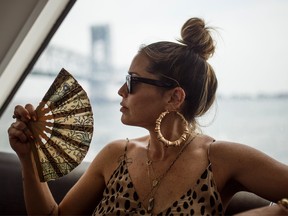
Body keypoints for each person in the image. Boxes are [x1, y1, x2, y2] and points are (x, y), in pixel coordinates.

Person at [7, 17, 288, 215]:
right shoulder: (114, 155)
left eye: (131, 82)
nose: (119, 90)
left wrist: (270, 213)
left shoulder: (221, 159)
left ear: (174, 97)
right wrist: (29, 158)